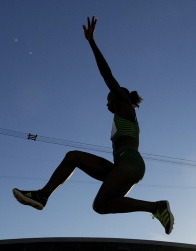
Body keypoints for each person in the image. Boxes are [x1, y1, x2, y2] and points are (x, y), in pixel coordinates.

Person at [13, 16, 174, 234]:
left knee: (99, 203)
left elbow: (107, 75)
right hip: (122, 164)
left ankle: (156, 207)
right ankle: (42, 196)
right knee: (75, 160)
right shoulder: (120, 117)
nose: (107, 102)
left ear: (119, 96)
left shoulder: (124, 106)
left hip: (131, 162)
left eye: (109, 98)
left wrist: (91, 43)